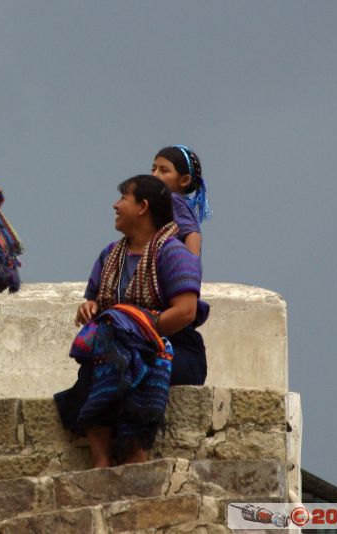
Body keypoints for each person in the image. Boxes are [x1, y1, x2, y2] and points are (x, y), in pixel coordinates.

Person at [54, 175, 208, 468]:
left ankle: (135, 456)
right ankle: (101, 462)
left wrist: (136, 330)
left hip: (173, 346)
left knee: (134, 363)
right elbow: (96, 302)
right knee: (99, 366)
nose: (115, 205)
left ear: (143, 207)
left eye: (123, 198)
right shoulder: (110, 255)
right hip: (115, 346)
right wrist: (90, 308)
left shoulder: (174, 254)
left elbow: (185, 312)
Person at [151, 145, 212, 256]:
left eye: (164, 171)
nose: (155, 175)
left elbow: (193, 234)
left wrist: (190, 264)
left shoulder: (174, 201)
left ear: (184, 180)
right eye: (153, 169)